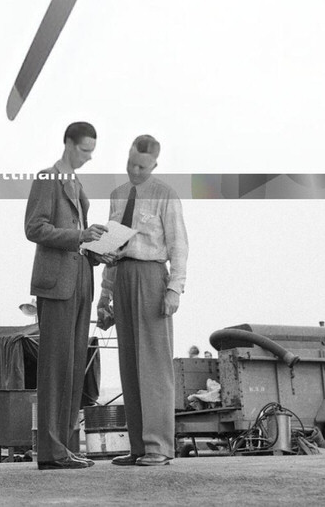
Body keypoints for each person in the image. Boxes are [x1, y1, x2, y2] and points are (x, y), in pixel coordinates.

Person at [97, 134, 188, 467]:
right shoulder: (117, 195)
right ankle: (138, 446)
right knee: (130, 364)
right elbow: (111, 245)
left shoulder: (166, 195)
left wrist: (174, 289)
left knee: (154, 366)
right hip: (120, 275)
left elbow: (179, 245)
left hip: (152, 277)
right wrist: (104, 297)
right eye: (130, 163)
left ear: (155, 165)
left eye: (142, 166)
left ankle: (158, 447)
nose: (134, 171)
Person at [24, 121, 106, 470]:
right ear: (68, 145)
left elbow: (78, 235)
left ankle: (64, 448)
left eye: (92, 151)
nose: (89, 157)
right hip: (57, 286)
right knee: (55, 369)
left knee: (73, 369)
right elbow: (34, 228)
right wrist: (79, 237)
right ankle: (51, 452)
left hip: (80, 280)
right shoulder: (48, 179)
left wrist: (97, 248)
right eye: (85, 150)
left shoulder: (77, 184)